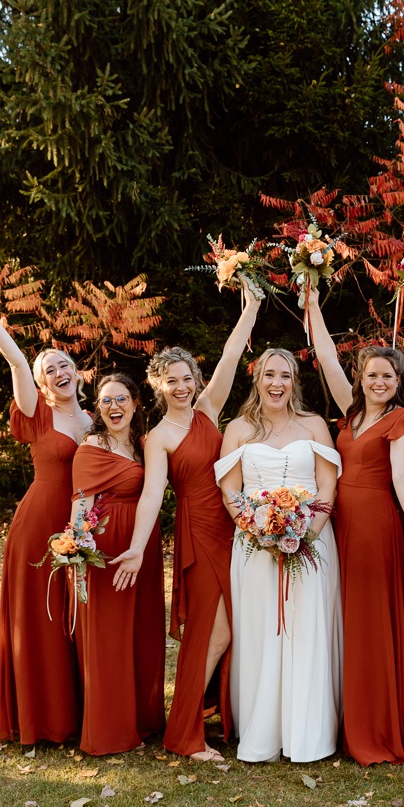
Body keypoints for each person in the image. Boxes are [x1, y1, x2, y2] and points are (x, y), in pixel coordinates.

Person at [111, 281, 262, 761]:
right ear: (157, 386)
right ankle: (185, 732)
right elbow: (154, 494)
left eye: (187, 378)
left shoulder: (208, 411)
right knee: (213, 632)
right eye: (171, 380)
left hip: (236, 525)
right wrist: (137, 545)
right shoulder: (158, 437)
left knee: (238, 625)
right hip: (199, 530)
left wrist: (252, 306)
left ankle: (217, 717)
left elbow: (232, 357)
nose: (182, 386)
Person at [306, 289, 404, 765]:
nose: (379, 381)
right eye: (371, 374)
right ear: (361, 378)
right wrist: (314, 305)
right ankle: (347, 720)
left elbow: (401, 475)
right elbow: (327, 360)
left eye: (388, 375)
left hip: (378, 524)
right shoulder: (353, 414)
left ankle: (377, 728)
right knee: (347, 620)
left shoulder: (401, 419)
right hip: (341, 524)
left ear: (399, 380)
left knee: (371, 623)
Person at [0, 281, 87, 745]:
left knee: (73, 617)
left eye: (65, 365)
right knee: (41, 616)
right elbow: (16, 359)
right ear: (38, 383)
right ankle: (40, 719)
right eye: (49, 368)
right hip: (38, 522)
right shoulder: (38, 411)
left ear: (77, 372)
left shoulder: (95, 420)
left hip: (81, 525)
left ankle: (74, 715)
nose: (59, 372)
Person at [214, 348, 342, 763]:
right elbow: (230, 493)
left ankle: (309, 732)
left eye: (285, 376)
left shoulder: (314, 425)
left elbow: (328, 486)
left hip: (312, 542)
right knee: (262, 632)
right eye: (269, 374)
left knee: (306, 629)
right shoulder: (237, 429)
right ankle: (263, 730)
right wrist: (261, 533)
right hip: (255, 547)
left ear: (294, 382)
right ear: (257, 379)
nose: (277, 383)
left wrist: (305, 537)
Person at [72, 373, 165, 755]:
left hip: (143, 544)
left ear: (135, 403)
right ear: (97, 408)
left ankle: (143, 719)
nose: (114, 407)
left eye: (121, 399)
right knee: (109, 637)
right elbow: (82, 504)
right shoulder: (92, 446)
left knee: (141, 632)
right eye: (107, 400)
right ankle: (110, 728)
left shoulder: (145, 447)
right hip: (107, 549)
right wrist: (77, 547)